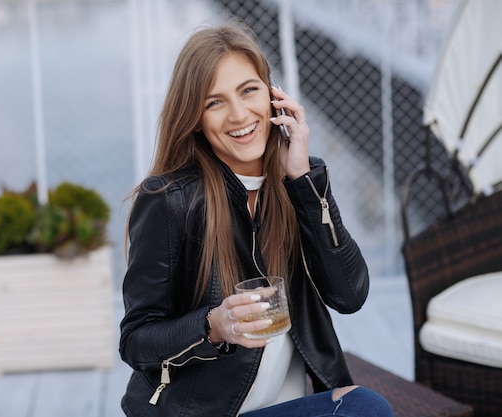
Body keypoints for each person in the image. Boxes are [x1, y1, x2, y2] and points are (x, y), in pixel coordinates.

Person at [119, 20, 394, 417]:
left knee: (364, 407)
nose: (238, 114)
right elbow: (136, 341)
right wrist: (212, 326)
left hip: (286, 408)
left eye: (249, 90)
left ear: (273, 96)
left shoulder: (298, 183)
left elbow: (349, 295)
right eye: (215, 102)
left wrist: (303, 182)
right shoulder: (170, 200)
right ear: (196, 118)